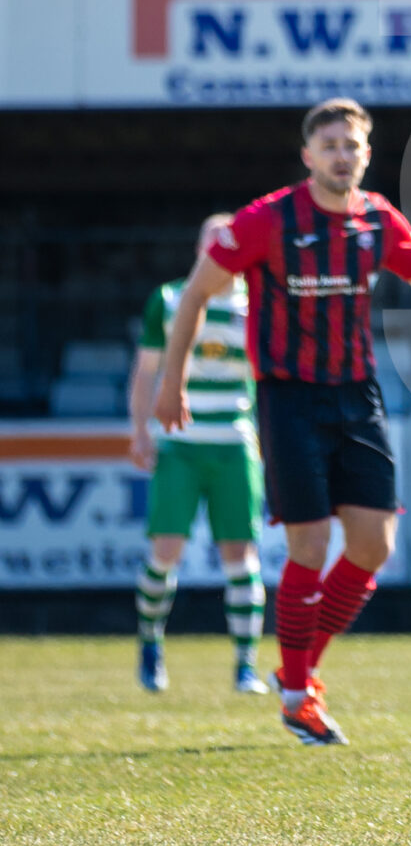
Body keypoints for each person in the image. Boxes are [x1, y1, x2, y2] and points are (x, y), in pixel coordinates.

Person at [154, 98, 411, 745]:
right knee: (308, 547)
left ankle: (298, 666)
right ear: (308, 156)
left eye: (351, 145)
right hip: (289, 398)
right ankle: (297, 695)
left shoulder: (378, 219)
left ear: (367, 154)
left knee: (374, 546)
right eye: (329, 146)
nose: (341, 155)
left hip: (357, 394)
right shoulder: (268, 219)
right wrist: (171, 380)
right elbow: (195, 293)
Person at [128, 213, 267, 695]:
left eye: (229, 242)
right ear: (197, 248)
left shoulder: (255, 304)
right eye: (212, 240)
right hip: (180, 447)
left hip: (235, 445)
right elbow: (146, 371)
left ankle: (246, 665)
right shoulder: (169, 300)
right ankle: (150, 644)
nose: (220, 249)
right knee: (165, 552)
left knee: (241, 556)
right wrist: (139, 430)